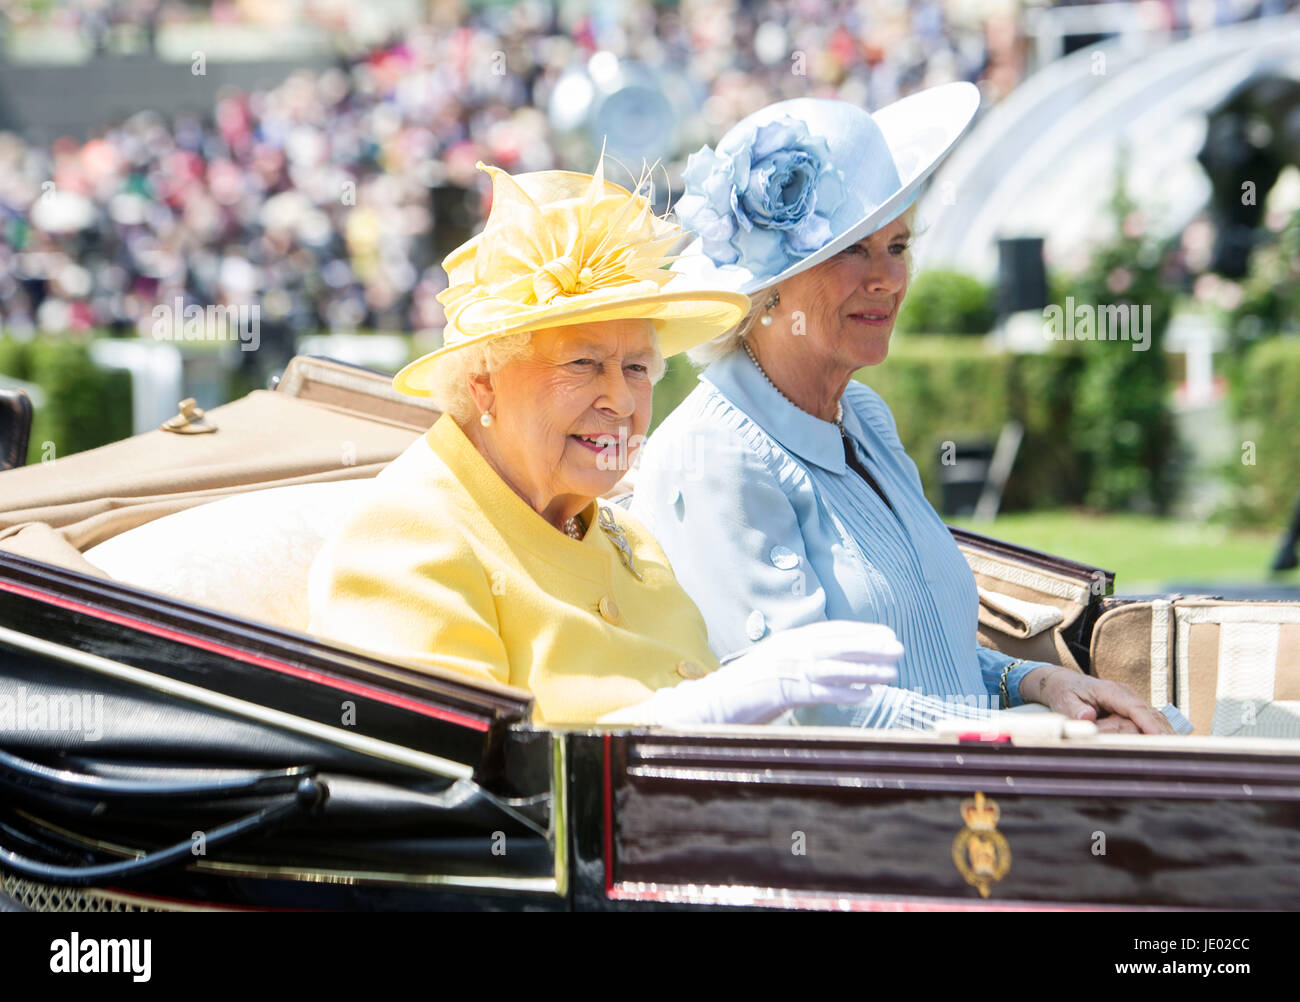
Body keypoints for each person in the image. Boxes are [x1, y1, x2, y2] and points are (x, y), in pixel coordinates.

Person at [631, 84, 1174, 734]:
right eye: (852, 250)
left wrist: (1034, 681)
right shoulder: (713, 456)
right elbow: (814, 712)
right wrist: (1043, 738)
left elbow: (924, 656)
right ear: (767, 292)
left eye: (898, 246)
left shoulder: (863, 415)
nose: (887, 278)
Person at [306, 160, 905, 726]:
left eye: (638, 369)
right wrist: (695, 715)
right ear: (483, 383)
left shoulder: (629, 536)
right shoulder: (406, 539)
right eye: (584, 363)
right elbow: (458, 785)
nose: (620, 401)